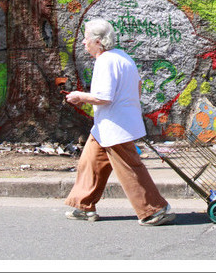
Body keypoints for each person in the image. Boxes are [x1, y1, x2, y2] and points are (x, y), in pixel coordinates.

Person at [63, 18, 175, 226]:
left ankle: (154, 210)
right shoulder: (123, 56)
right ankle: (83, 205)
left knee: (129, 168)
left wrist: (79, 96)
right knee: (90, 162)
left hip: (115, 126)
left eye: (86, 39)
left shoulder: (105, 61)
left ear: (98, 41)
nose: (83, 43)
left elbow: (104, 97)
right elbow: (138, 86)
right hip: (109, 125)